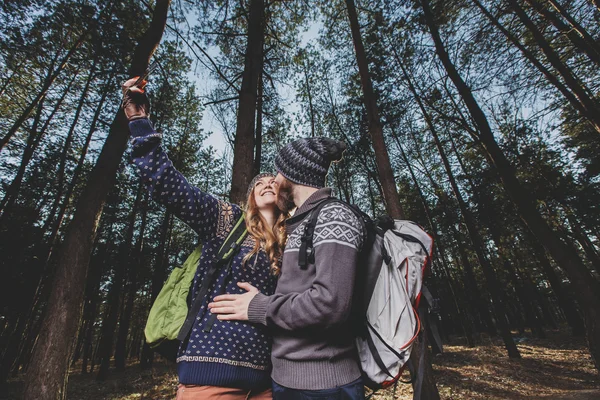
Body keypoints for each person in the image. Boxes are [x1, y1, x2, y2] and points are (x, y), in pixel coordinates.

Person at [122, 77, 287, 399]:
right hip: (211, 370)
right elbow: (168, 184)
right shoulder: (225, 219)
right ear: (250, 196)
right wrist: (139, 122)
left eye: (275, 182)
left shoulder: (293, 242)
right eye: (260, 182)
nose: (268, 183)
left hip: (273, 380)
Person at [209, 137, 366, 400]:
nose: (275, 181)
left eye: (278, 173)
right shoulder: (299, 225)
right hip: (286, 382)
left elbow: (330, 304)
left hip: (324, 386)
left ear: (291, 174)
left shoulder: (333, 215)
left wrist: (258, 307)